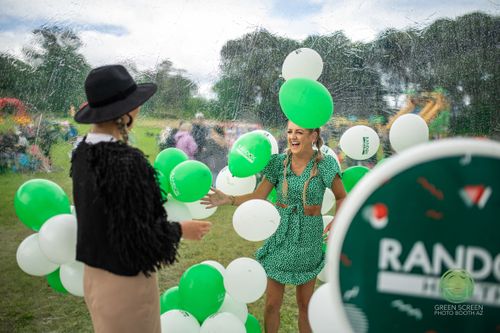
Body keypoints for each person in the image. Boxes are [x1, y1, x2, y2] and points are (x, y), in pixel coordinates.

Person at [71, 65, 212, 333]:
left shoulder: (82, 152)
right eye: (134, 105)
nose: (138, 109)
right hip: (125, 284)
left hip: (94, 276)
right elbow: (138, 235)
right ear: (124, 114)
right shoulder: (125, 161)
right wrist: (182, 229)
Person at [202, 120, 347, 333]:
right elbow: (258, 196)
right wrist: (229, 199)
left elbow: (342, 197)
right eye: (290, 132)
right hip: (280, 235)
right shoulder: (278, 163)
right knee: (272, 305)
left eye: (299, 132)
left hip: (309, 239)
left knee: (305, 306)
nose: (293, 137)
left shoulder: (325, 165)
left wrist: (337, 221)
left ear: (313, 136)